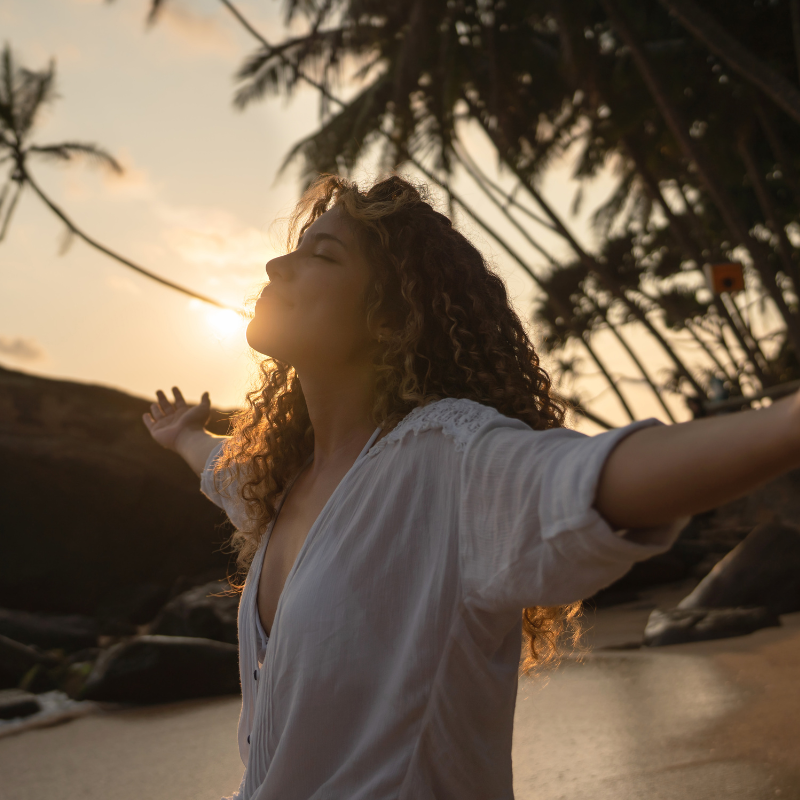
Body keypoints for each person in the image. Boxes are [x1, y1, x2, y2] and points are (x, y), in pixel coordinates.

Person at [143, 174, 800, 800]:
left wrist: (788, 423)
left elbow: (595, 477)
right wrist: (181, 436)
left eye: (324, 255)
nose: (274, 269)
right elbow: (222, 467)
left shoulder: (444, 457)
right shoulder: (283, 478)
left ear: (391, 316)